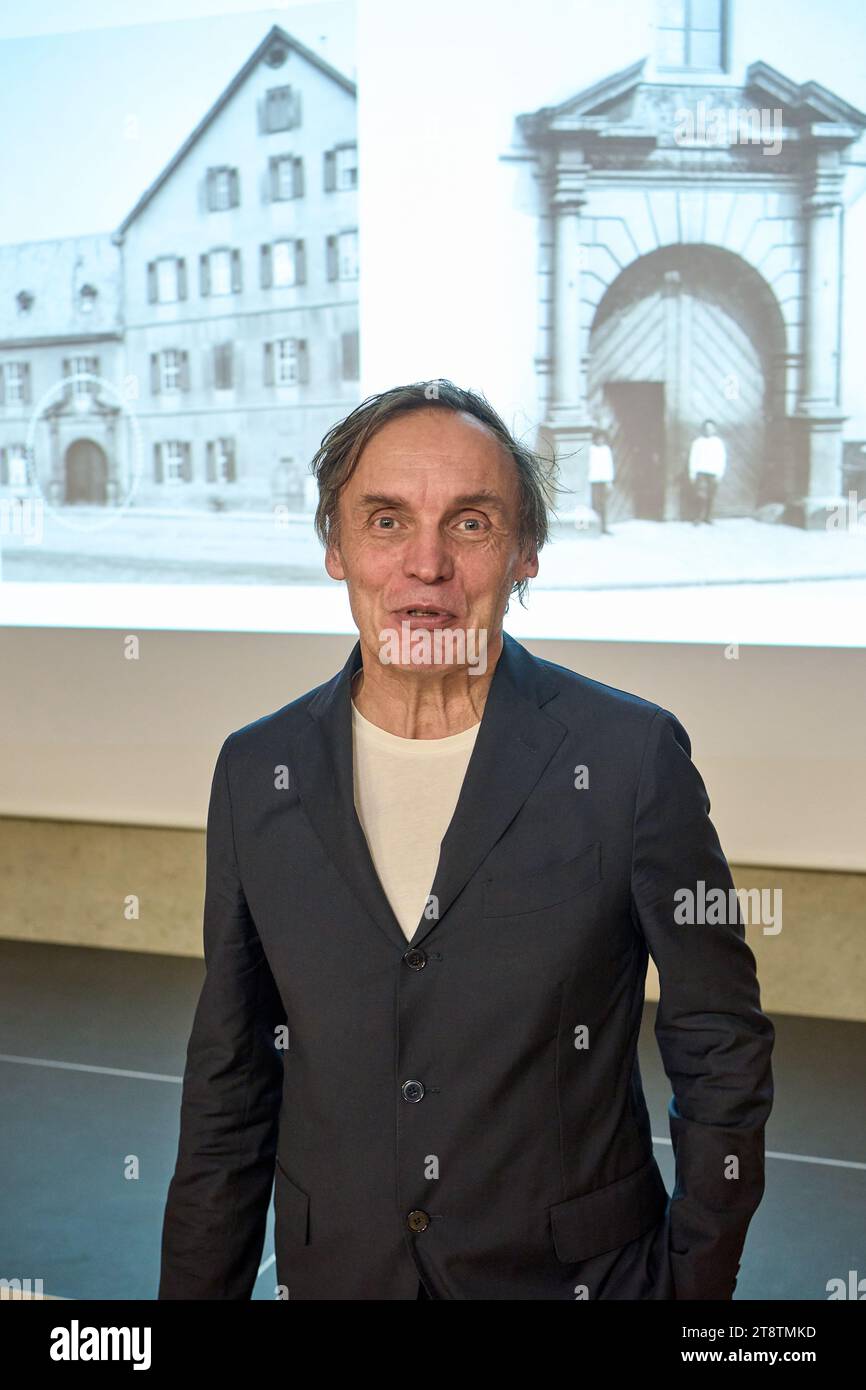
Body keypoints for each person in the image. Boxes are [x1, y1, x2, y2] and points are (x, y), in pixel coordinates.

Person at [158, 380, 774, 1301]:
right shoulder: (258, 769)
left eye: (473, 524)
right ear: (336, 548)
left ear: (526, 552)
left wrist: (692, 1290)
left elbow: (720, 1039)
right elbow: (231, 1081)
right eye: (387, 521)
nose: (428, 565)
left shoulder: (631, 756)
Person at [688, 419, 726, 524]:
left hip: (713, 472)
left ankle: (708, 517)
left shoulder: (718, 443)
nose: (708, 430)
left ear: (715, 430)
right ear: (703, 429)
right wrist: (692, 472)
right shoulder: (697, 442)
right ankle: (697, 517)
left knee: (711, 495)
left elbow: (722, 458)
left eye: (711, 428)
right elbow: (693, 458)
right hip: (701, 472)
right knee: (700, 495)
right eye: (706, 428)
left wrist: (720, 473)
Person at [588, 427, 614, 535]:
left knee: (602, 504)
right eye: (598, 438)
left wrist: (609, 481)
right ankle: (595, 528)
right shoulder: (591, 449)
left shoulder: (606, 450)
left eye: (602, 438)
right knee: (595, 504)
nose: (600, 440)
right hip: (593, 480)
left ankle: (603, 527)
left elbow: (609, 466)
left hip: (603, 480)